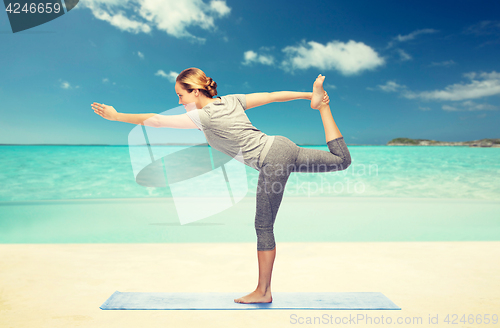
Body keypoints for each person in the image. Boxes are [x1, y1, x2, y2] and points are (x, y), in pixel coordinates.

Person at [92, 67, 351, 304]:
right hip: (282, 146)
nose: (179, 102)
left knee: (263, 225)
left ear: (195, 91)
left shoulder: (202, 117)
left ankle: (263, 291)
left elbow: (157, 121)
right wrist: (310, 95)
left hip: (272, 159)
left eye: (180, 95)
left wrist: (117, 116)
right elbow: (273, 95)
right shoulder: (231, 100)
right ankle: (324, 109)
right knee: (341, 161)